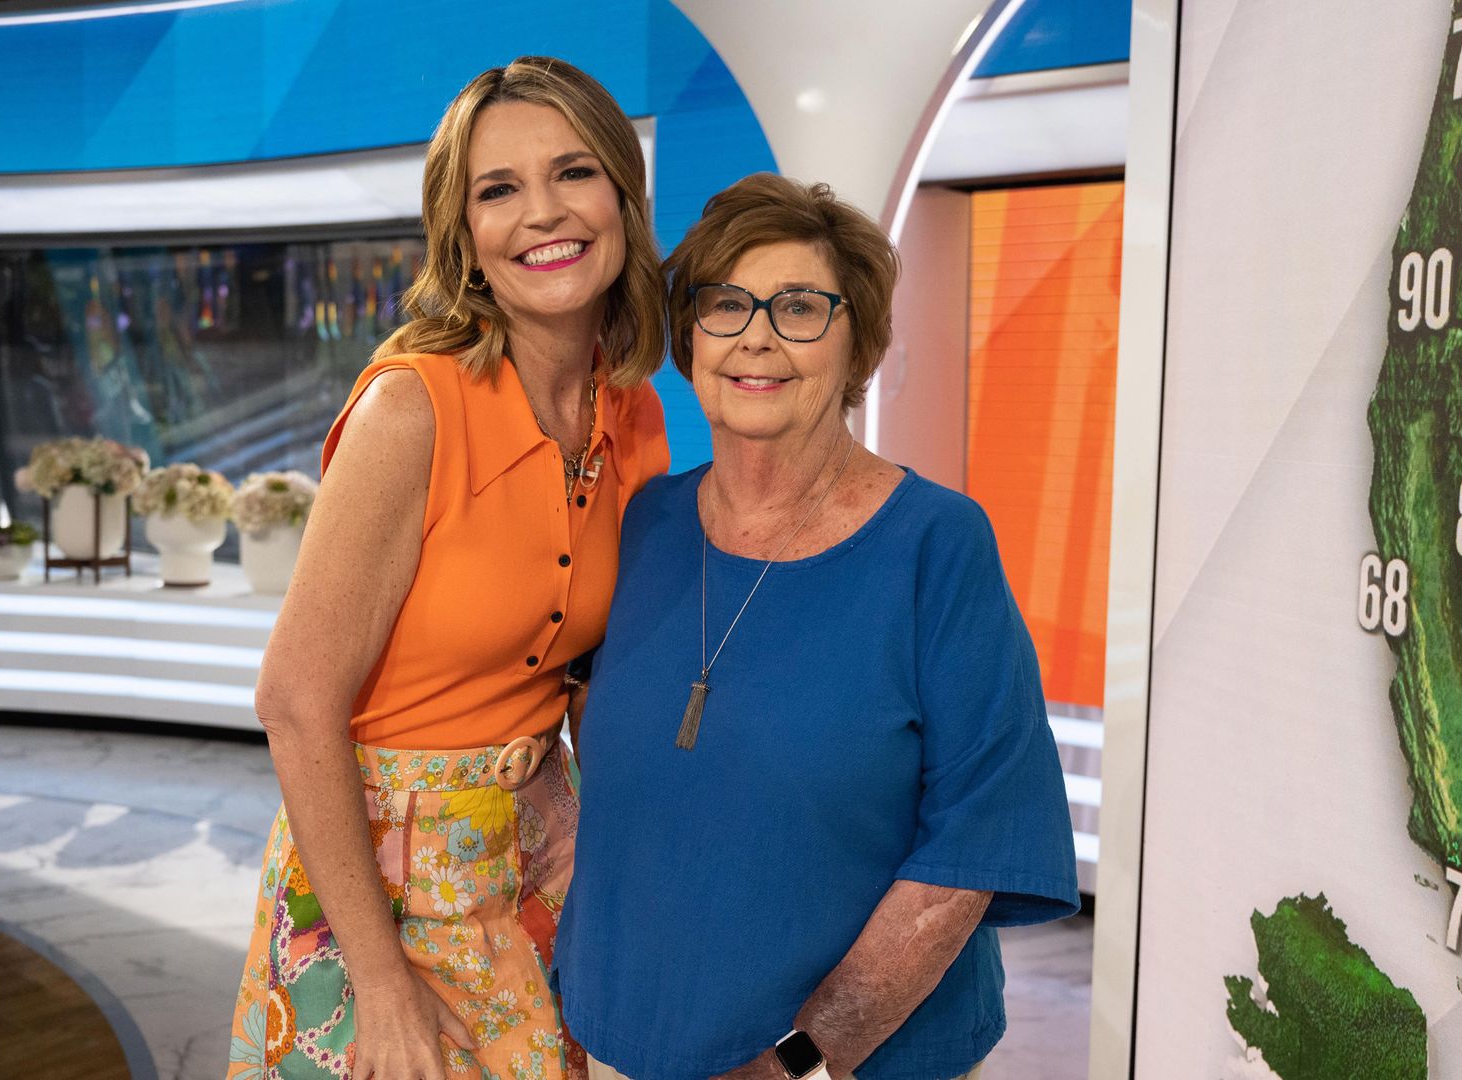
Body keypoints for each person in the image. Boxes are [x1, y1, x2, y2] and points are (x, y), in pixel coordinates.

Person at [554, 173, 1079, 1080]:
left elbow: (973, 843)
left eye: (799, 306)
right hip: (619, 1043)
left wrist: (798, 1060)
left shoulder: (936, 546)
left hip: (844, 1066)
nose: (756, 336)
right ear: (690, 340)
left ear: (858, 344)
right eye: (724, 305)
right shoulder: (644, 523)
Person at [227, 57, 670, 1080]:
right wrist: (379, 985)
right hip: (374, 881)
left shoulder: (632, 412)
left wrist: (600, 820)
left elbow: (592, 671)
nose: (542, 213)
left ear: (622, 193)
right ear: (462, 232)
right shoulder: (412, 408)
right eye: (498, 189)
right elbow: (294, 699)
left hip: (530, 859)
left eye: (574, 173)